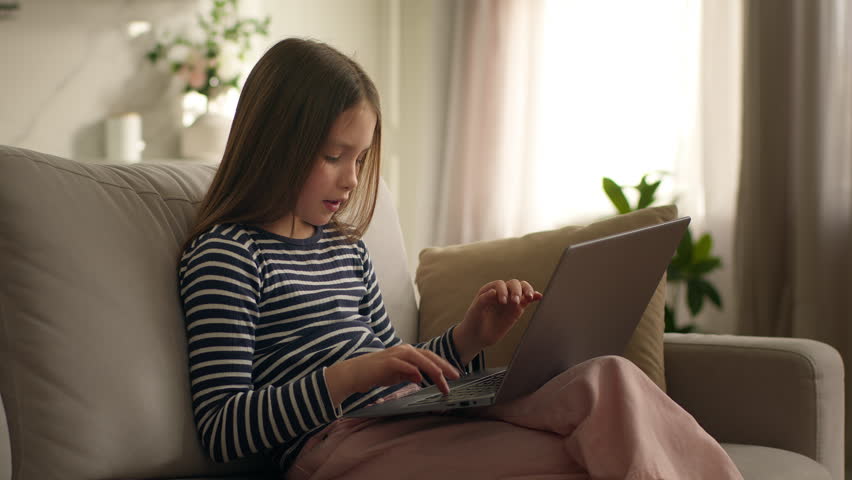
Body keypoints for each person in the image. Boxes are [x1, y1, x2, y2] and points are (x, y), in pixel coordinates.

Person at [177, 38, 743, 479]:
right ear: (277, 144)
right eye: (332, 156)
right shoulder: (229, 255)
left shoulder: (345, 249)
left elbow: (402, 367)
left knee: (609, 377)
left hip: (407, 417)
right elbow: (223, 428)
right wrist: (349, 376)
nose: (351, 179)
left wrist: (467, 339)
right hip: (337, 446)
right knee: (583, 460)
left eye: (360, 158)